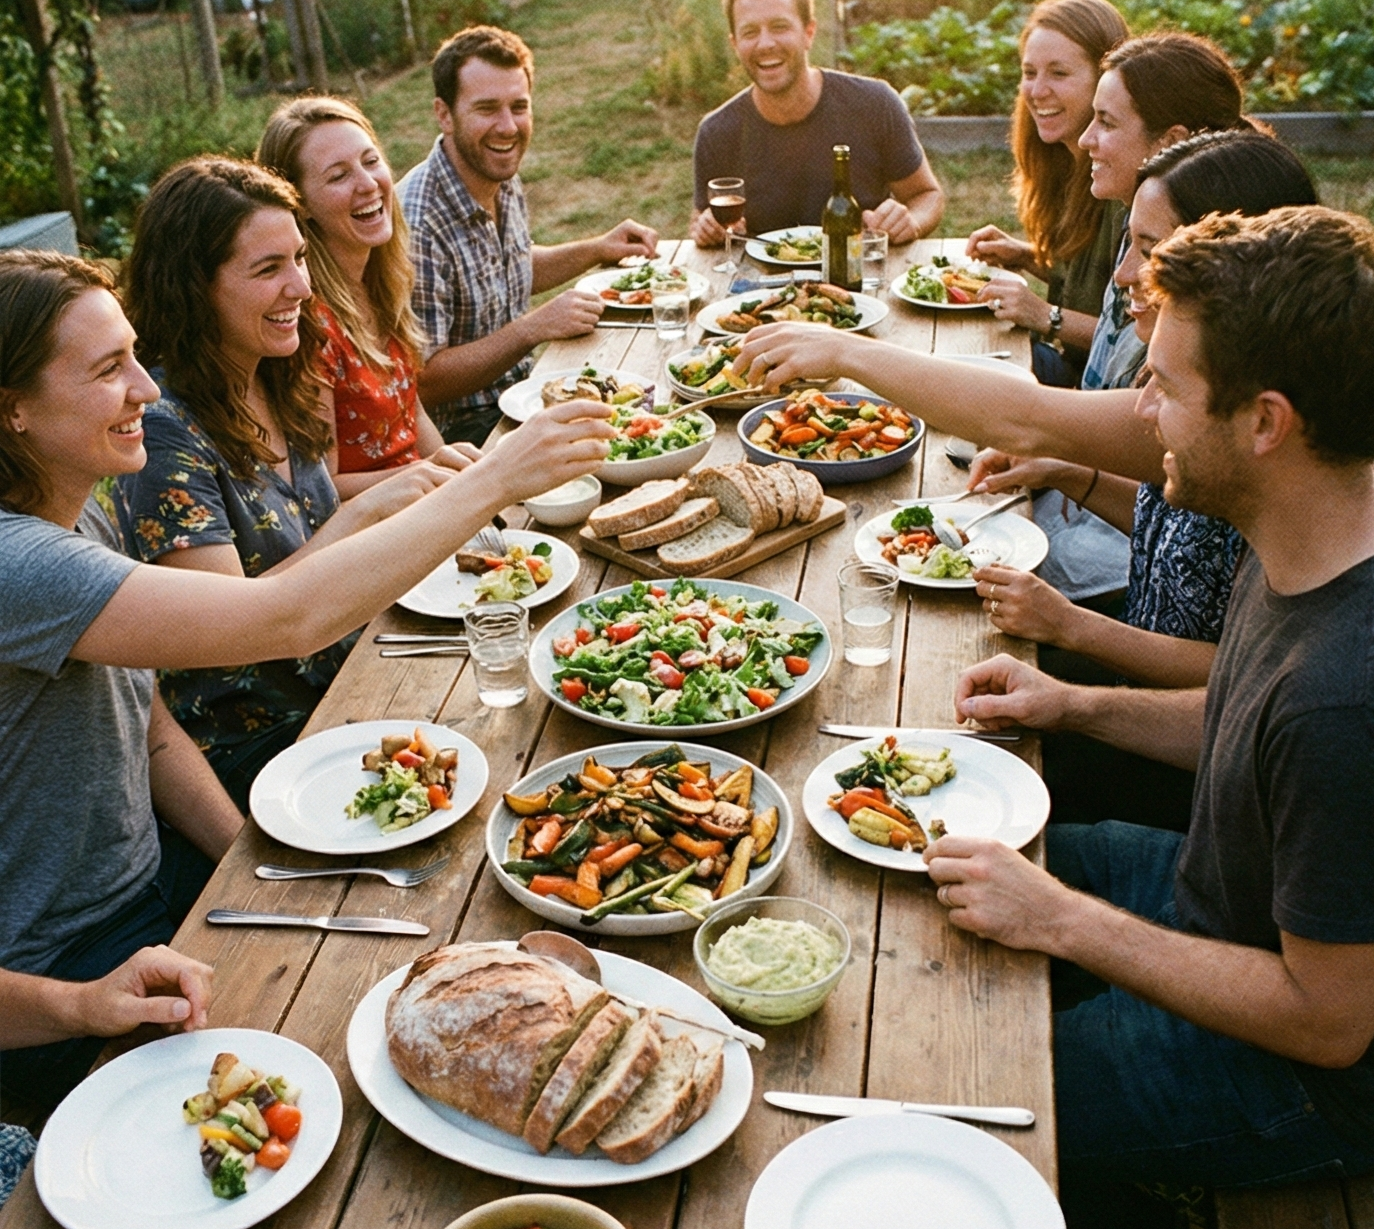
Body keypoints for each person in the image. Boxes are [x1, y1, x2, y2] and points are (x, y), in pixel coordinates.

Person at [0, 248, 611, 1107]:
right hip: (54, 993)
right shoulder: (17, 564)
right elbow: (282, 618)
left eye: (135, 354)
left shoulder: (82, 506)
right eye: (108, 369)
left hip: (155, 901)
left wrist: (249, 863)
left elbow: (151, 728)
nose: (145, 387)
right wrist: (500, 479)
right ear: (14, 409)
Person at [929, 206, 1374, 1225]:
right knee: (948, 852)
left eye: (1166, 387)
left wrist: (1063, 921)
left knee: (966, 1097)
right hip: (1218, 896)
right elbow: (1240, 718)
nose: (1143, 406)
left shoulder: (1347, 697)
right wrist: (1072, 703)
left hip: (1297, 1064)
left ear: (1266, 422)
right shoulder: (1311, 522)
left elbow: (1331, 1019)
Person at [966, 131, 1317, 832]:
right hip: (1149, 714)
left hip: (1185, 795)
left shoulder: (1260, 450)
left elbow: (1243, 687)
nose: (1124, 273)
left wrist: (1072, 628)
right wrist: (1075, 474)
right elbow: (1175, 534)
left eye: (1148, 249)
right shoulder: (1224, 417)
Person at [400, 24, 659, 445]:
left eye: (518, 107)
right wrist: (531, 328)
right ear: (444, 114)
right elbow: (422, 380)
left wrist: (596, 249)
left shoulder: (494, 171)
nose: (508, 127)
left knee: (651, 386)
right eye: (487, 109)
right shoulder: (418, 223)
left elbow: (505, 270)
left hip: (525, 395)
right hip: (464, 436)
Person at [257, 96, 474, 499]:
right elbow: (326, 488)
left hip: (426, 502)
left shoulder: (378, 282)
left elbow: (412, 412)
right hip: (374, 531)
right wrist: (430, 474)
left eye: (371, 162)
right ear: (300, 206)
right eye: (339, 176)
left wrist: (456, 471)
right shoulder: (309, 322)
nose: (368, 184)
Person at [964, 0, 1129, 386]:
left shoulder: (1125, 185)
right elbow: (1090, 282)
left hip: (1094, 392)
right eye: (1029, 72)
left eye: (1059, 73)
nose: (1037, 91)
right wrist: (1027, 257)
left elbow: (1134, 340)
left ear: (1105, 81)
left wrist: (1046, 316)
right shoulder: (1066, 161)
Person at [688, 0, 944, 247]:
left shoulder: (875, 104)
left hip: (860, 277)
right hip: (759, 286)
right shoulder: (717, 132)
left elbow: (925, 195)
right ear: (735, 44)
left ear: (808, 33)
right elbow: (702, 220)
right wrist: (708, 230)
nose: (765, 43)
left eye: (779, 27)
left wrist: (911, 222)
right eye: (750, 32)